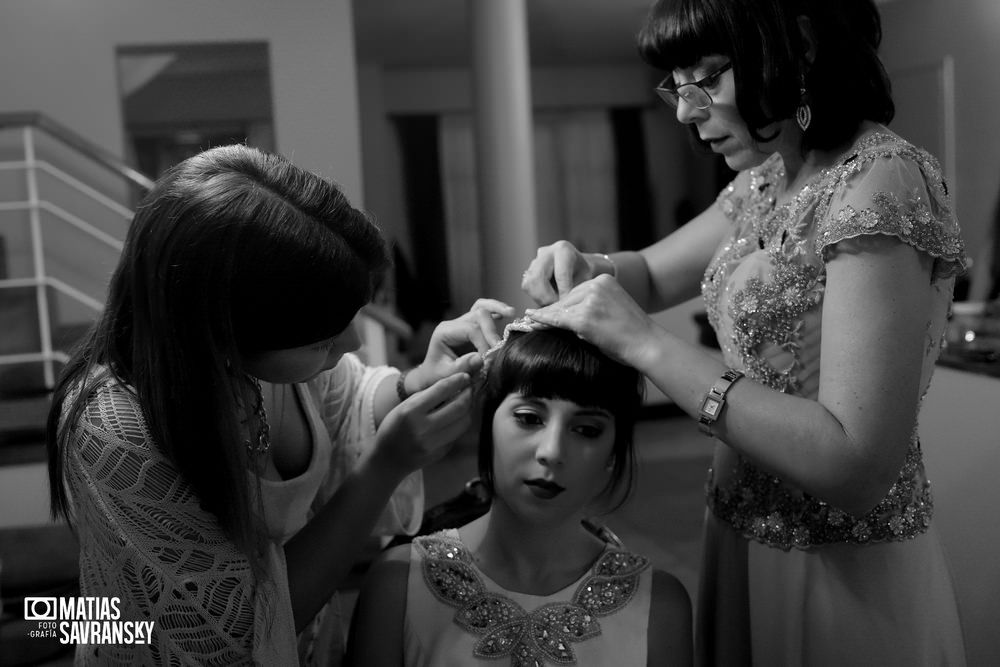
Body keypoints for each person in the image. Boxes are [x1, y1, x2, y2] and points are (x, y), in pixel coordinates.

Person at [519, 1, 968, 665]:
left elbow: (858, 464)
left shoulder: (879, 179)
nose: (684, 109)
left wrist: (647, 344)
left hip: (837, 565)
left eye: (708, 77)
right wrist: (589, 266)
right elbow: (647, 269)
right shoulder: (765, 177)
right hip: (740, 529)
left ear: (802, 46)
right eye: (678, 83)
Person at [46, 144, 514, 665]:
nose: (354, 343)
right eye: (323, 340)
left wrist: (418, 383)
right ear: (223, 333)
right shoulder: (115, 428)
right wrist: (386, 465)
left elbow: (348, 397)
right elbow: (244, 631)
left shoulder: (264, 360)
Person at [344, 321, 693, 667]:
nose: (551, 451)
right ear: (488, 424)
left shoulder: (659, 605)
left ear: (613, 454)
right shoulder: (398, 584)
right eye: (529, 418)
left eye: (586, 429)